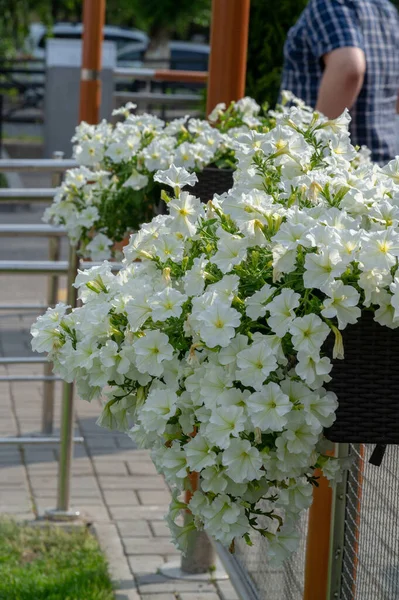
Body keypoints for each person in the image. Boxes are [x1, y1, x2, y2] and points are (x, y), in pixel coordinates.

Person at [281, 0, 399, 163]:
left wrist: (309, 151)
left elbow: (348, 67)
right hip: (386, 167)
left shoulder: (330, 4)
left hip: (342, 173)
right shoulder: (386, 9)